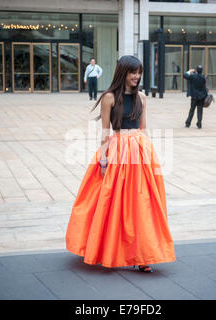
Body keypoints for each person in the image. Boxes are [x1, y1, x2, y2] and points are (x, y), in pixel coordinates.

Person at [65, 55, 176, 273]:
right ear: (123, 73)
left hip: (139, 152)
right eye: (133, 72)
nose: (137, 76)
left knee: (141, 205)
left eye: (139, 72)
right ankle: (108, 250)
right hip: (117, 152)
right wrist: (104, 160)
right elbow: (105, 132)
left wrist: (148, 155)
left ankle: (144, 256)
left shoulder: (142, 98)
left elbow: (143, 128)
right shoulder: (109, 98)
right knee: (111, 204)